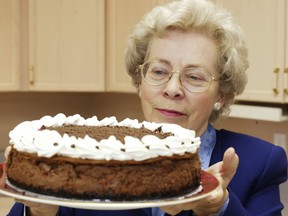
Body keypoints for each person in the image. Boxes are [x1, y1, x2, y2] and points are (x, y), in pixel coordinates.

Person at [6, 0, 288, 215]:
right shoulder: (83, 156)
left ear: (222, 94)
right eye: (158, 71)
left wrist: (218, 208)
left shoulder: (260, 162)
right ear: (139, 81)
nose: (172, 88)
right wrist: (40, 211)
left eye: (195, 76)